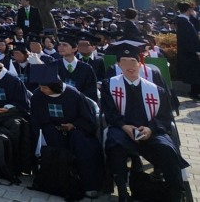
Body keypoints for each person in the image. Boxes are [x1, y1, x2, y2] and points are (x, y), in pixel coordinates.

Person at [101, 41, 189, 202]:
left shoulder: (156, 90)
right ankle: (122, 190)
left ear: (140, 64)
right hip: (122, 129)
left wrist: (150, 129)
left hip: (151, 130)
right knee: (115, 144)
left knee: (167, 148)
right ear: (119, 65)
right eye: (124, 62)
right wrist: (124, 126)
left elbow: (165, 116)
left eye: (133, 61)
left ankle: (176, 192)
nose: (129, 65)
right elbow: (109, 112)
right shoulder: (110, 86)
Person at [29, 63, 104, 198]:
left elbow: (88, 120)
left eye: (44, 87)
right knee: (49, 139)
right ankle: (53, 179)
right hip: (50, 128)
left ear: (54, 86)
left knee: (84, 145)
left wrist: (73, 125)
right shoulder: (37, 96)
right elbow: (35, 118)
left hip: (76, 128)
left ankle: (89, 184)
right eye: (40, 87)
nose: (41, 90)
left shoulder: (73, 94)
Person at [175, 2, 200, 101]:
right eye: (191, 9)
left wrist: (194, 16)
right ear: (188, 10)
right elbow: (187, 39)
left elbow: (197, 26)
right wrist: (196, 51)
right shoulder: (182, 21)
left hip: (191, 51)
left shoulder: (186, 20)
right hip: (189, 52)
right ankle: (194, 93)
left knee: (196, 73)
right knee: (195, 73)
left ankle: (195, 92)